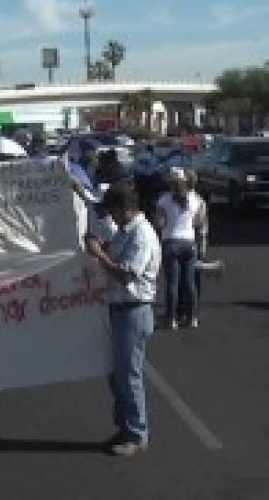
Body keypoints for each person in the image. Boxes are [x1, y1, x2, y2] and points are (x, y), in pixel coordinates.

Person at [84, 182, 161, 457]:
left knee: (129, 375)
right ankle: (126, 427)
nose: (111, 217)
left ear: (125, 208)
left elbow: (127, 274)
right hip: (119, 309)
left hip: (134, 309)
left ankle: (137, 434)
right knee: (117, 375)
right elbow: (113, 253)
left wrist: (99, 254)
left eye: (113, 211)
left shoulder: (142, 234)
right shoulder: (126, 232)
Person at [156, 167, 205, 330]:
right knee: (189, 282)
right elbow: (198, 222)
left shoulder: (163, 200)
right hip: (189, 243)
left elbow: (160, 223)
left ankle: (171, 319)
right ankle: (192, 318)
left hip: (171, 242)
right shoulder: (196, 199)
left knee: (172, 284)